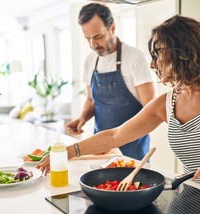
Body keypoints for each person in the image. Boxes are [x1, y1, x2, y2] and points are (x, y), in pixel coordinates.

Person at [38, 15, 200, 204]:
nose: (152, 63)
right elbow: (115, 136)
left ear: (183, 51)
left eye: (158, 52)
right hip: (198, 200)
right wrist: (65, 152)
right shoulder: (166, 103)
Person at [65, 3, 156, 160]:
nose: (93, 45)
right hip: (100, 149)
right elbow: (90, 100)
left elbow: (151, 110)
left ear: (112, 28)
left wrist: (116, 139)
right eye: (88, 39)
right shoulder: (90, 61)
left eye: (98, 37)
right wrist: (83, 118)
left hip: (133, 150)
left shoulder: (135, 58)